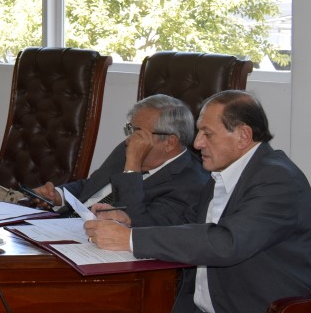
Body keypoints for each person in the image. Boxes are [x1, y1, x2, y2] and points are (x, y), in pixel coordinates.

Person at [84, 90, 311, 313]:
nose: (197, 143)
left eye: (207, 133)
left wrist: (130, 240)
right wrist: (130, 223)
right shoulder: (222, 175)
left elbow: (226, 242)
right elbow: (191, 230)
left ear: (242, 136)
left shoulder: (278, 181)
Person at [33, 94, 208, 226]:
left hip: (101, 249)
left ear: (170, 142)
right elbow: (92, 186)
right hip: (61, 225)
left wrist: (132, 167)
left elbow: (136, 224)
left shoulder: (191, 184)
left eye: (138, 133)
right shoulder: (126, 149)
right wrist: (58, 195)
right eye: (131, 130)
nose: (129, 140)